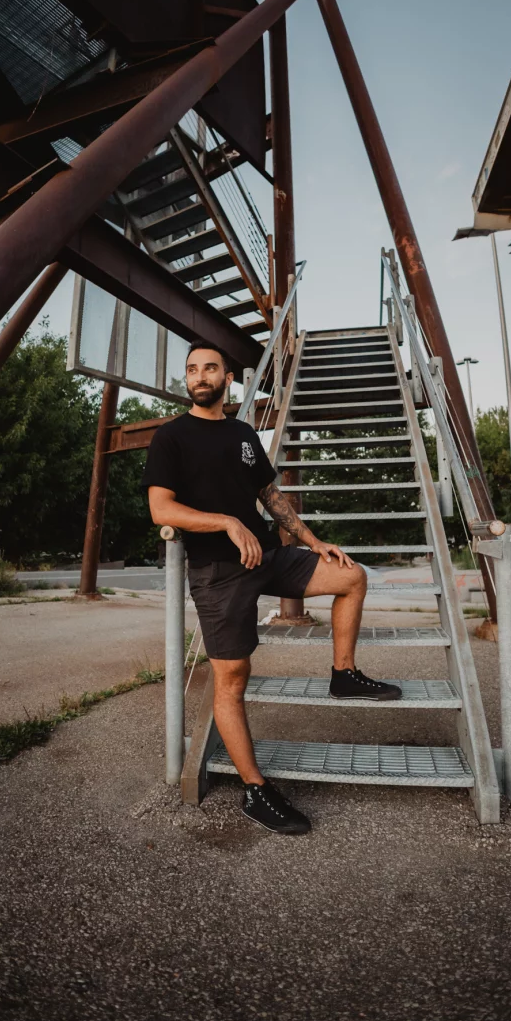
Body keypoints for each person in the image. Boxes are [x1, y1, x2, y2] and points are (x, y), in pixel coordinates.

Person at [142, 340, 401, 835]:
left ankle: (343, 675)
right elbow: (161, 509)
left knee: (350, 575)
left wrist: (314, 540)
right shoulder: (170, 437)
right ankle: (256, 790)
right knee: (233, 674)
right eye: (192, 369)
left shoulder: (243, 434)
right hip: (218, 570)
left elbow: (271, 496)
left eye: (209, 368)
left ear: (227, 379)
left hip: (269, 557)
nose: (199, 376)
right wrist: (225, 523)